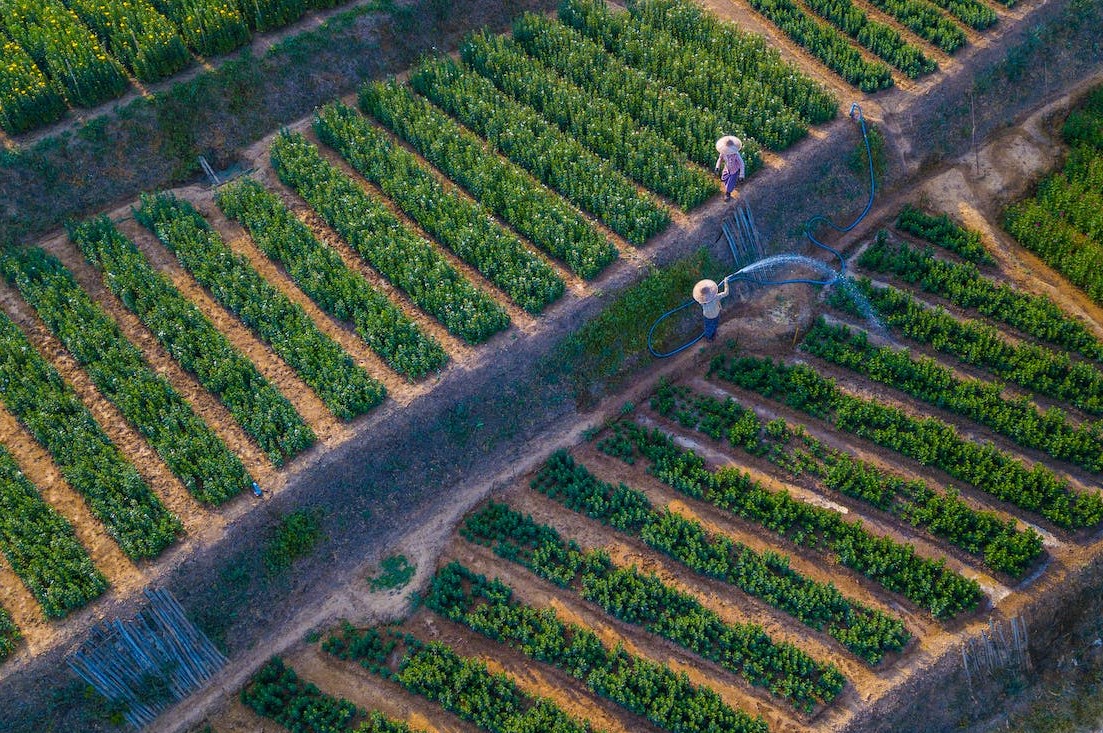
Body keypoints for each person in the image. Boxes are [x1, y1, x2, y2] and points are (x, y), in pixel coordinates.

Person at [715, 136, 745, 201]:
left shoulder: (736, 155)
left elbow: (741, 164)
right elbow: (720, 159)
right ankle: (729, 186)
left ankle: (728, 194)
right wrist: (717, 167)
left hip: (734, 171)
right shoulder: (723, 153)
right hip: (727, 169)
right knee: (724, 179)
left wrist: (741, 175)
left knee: (730, 183)